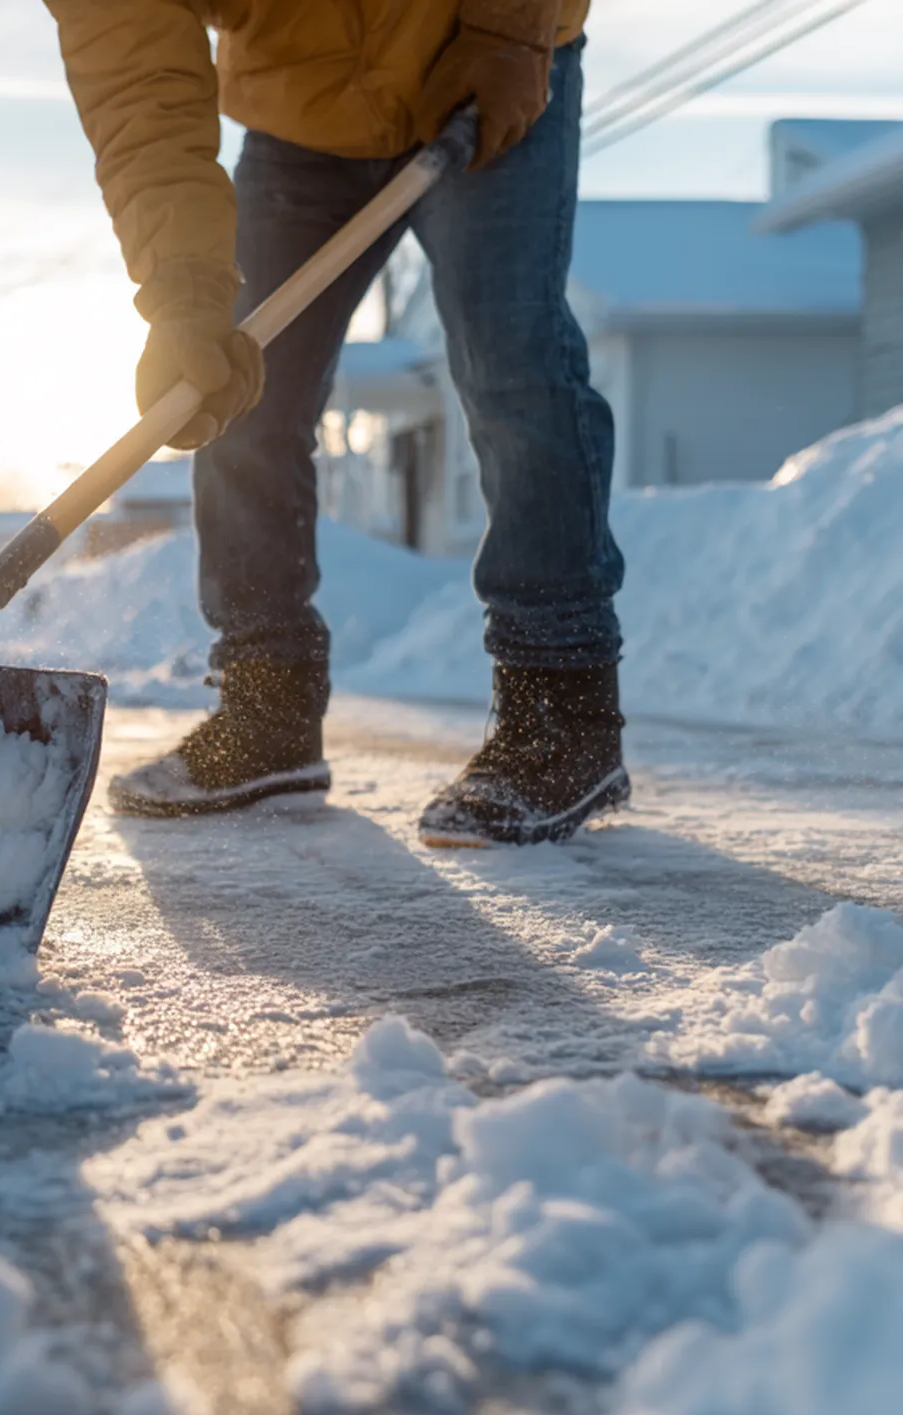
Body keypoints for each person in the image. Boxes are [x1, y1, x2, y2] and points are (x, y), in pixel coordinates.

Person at [51, 0, 628, 847]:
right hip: (301, 113)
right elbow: (136, 81)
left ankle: (562, 712)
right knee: (233, 388)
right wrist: (182, 290)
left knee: (512, 363)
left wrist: (511, 29)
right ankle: (266, 707)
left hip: (475, 59)